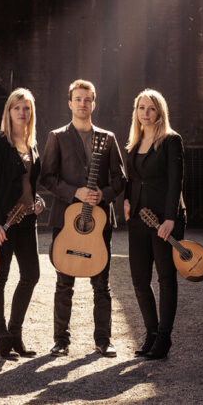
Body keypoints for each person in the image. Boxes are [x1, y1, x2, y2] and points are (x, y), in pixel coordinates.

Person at [40, 79, 126, 357]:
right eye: (78, 99)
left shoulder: (108, 137)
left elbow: (120, 179)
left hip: (98, 220)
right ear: (70, 103)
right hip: (67, 219)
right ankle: (61, 340)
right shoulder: (57, 137)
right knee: (64, 283)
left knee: (101, 284)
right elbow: (46, 178)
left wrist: (105, 194)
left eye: (87, 99)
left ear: (93, 103)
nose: (82, 104)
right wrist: (74, 192)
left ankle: (104, 340)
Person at [123, 89, 186, 360]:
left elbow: (176, 181)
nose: (145, 113)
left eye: (150, 108)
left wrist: (171, 218)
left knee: (166, 278)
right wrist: (126, 200)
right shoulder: (134, 143)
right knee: (139, 280)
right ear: (136, 112)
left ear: (160, 112)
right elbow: (133, 179)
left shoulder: (171, 141)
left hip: (165, 219)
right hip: (138, 217)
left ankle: (164, 337)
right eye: (141, 108)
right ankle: (150, 333)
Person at [0, 87, 45, 359]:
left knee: (31, 275)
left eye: (27, 108)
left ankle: (15, 333)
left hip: (27, 219)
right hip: (4, 223)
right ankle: (1, 338)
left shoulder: (32, 143)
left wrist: (38, 200)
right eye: (17, 108)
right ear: (8, 111)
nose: (22, 112)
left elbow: (28, 184)